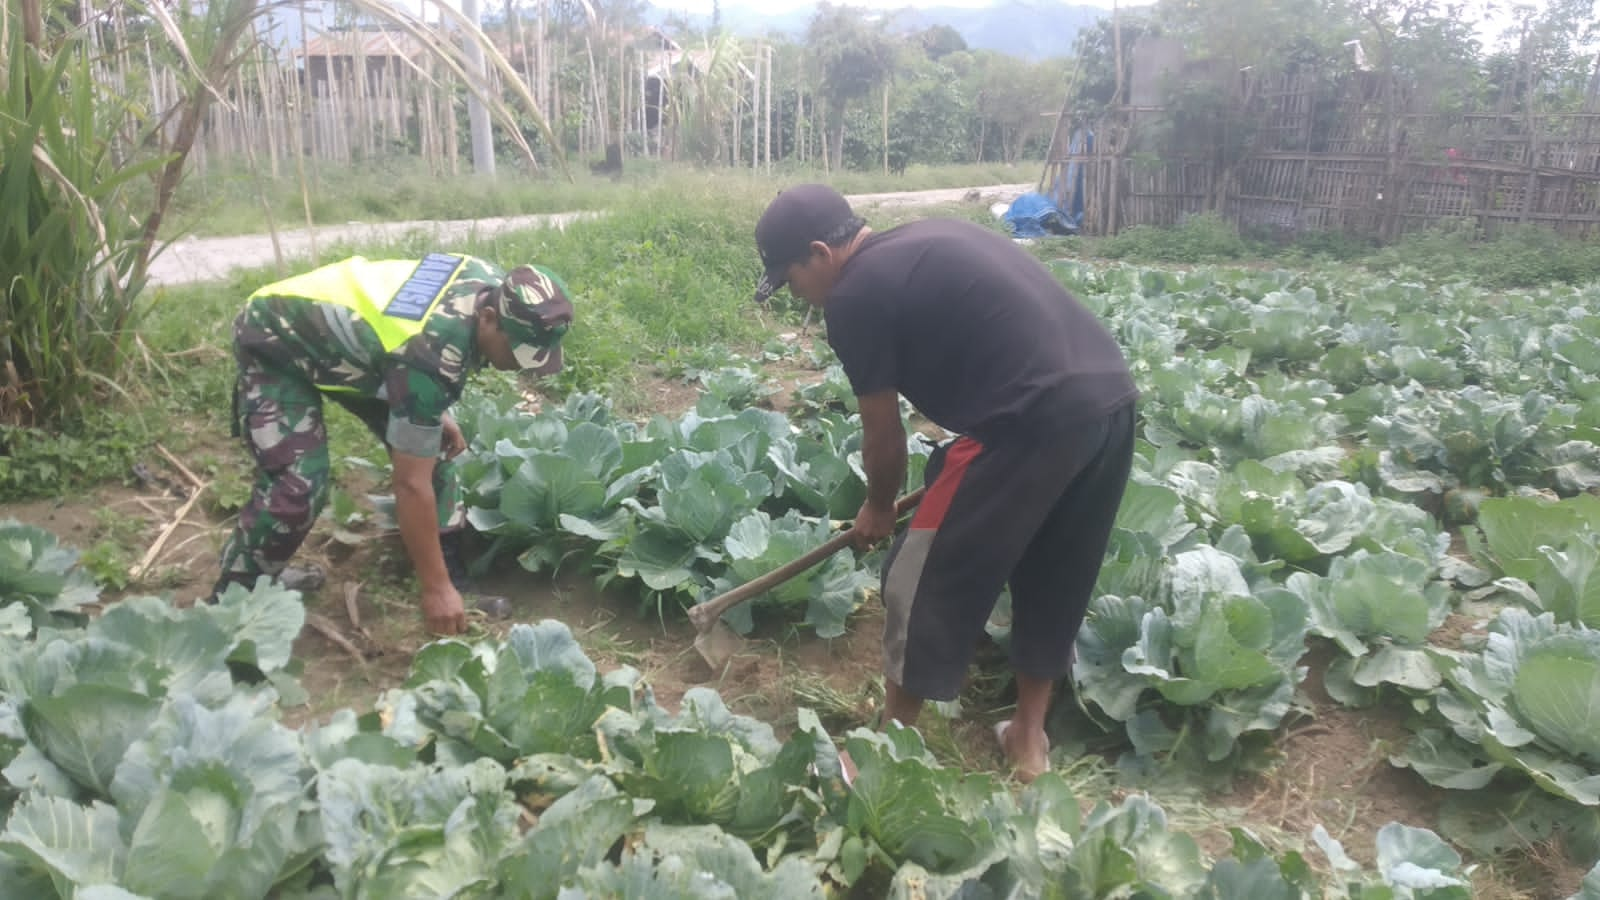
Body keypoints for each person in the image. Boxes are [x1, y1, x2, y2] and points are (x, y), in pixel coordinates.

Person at [752, 184, 1137, 783]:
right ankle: (1028, 740)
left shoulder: (853, 296)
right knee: (1057, 570)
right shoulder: (927, 237)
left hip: (1026, 420)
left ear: (821, 252)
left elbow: (884, 434)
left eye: (792, 279)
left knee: (917, 574)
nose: (797, 295)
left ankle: (888, 747)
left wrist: (878, 508)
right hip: (1110, 402)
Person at [211, 253, 573, 635]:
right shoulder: (430, 355)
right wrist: (433, 591)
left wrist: (426, 410)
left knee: (433, 453)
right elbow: (409, 484)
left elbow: (408, 343)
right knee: (297, 486)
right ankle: (229, 604)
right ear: (488, 319)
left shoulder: (491, 283)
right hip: (275, 335)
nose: (523, 365)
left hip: (362, 346)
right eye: (520, 351)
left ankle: (456, 586)